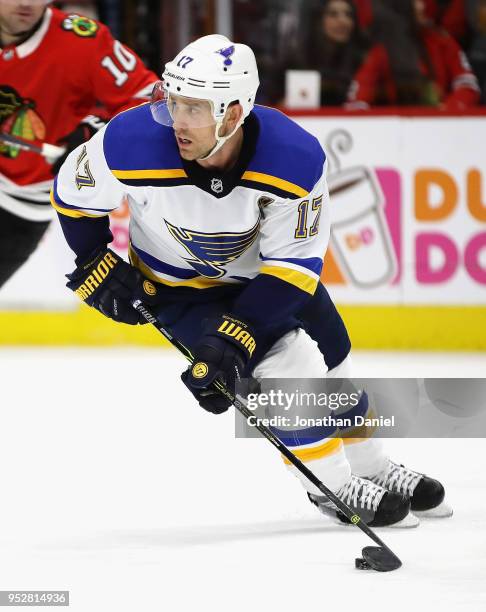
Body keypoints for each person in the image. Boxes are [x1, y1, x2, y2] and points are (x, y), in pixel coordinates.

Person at [52, 34, 451, 527]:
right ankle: (331, 486)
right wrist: (94, 259)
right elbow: (72, 194)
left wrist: (235, 335)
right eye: (173, 102)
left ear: (236, 113)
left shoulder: (294, 159)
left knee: (335, 357)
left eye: (195, 108)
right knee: (291, 364)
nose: (177, 120)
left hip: (265, 283)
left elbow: (293, 267)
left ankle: (373, 466)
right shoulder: (128, 141)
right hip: (176, 290)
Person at [0, 0, 159, 289]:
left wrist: (93, 133)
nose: (26, 2)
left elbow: (151, 98)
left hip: (21, 205)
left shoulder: (82, 41)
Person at [347, 0, 480, 108]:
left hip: (442, 125)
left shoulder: (443, 42)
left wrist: (447, 109)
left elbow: (467, 84)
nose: (421, 6)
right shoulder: (383, 49)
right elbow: (360, 95)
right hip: (399, 128)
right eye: (415, 2)